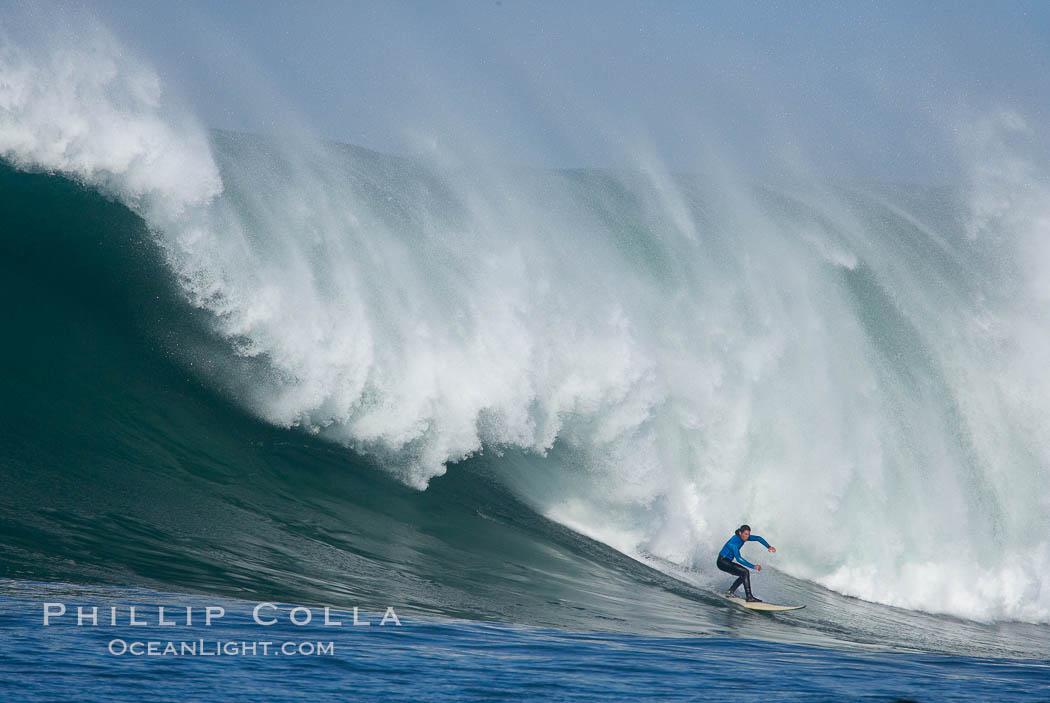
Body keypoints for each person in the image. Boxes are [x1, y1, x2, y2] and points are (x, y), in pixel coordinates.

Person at [717, 524, 775, 602]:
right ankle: (749, 597)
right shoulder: (734, 542)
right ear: (740, 533)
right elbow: (738, 559)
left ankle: (730, 592)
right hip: (722, 562)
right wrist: (753, 566)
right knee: (745, 572)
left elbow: (758, 538)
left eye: (748, 534)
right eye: (745, 534)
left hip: (727, 561)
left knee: (743, 574)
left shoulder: (743, 537)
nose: (747, 537)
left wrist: (768, 546)